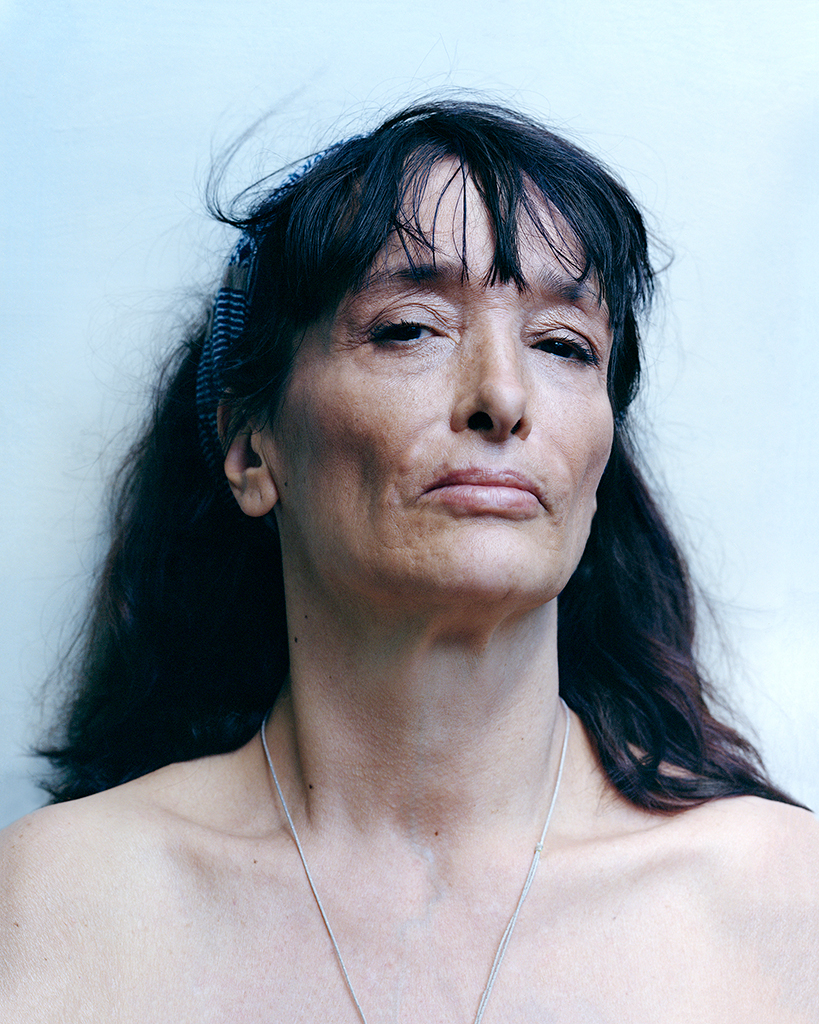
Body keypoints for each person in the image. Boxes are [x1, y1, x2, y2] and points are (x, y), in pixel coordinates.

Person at [1, 100, 817, 1023]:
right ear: (250, 448)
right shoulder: (55, 904)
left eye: (562, 345)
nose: (503, 397)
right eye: (408, 329)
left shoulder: (784, 906)